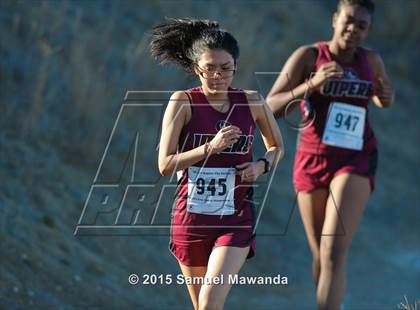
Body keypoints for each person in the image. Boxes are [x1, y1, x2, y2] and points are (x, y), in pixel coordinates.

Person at [266, 0, 394, 309]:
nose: (353, 30)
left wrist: (385, 98)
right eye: (348, 21)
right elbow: (269, 108)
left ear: (368, 31)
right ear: (335, 19)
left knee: (335, 252)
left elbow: (382, 97)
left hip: (356, 158)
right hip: (312, 159)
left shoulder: (371, 60)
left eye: (362, 26)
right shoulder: (309, 56)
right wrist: (311, 85)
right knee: (320, 255)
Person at [151, 18, 284, 310]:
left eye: (225, 68)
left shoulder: (251, 102)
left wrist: (261, 166)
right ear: (197, 68)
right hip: (191, 218)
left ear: (235, 66)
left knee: (211, 302)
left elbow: (277, 147)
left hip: (236, 218)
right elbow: (165, 165)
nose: (217, 75)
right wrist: (209, 148)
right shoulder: (183, 102)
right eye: (209, 68)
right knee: (202, 307)